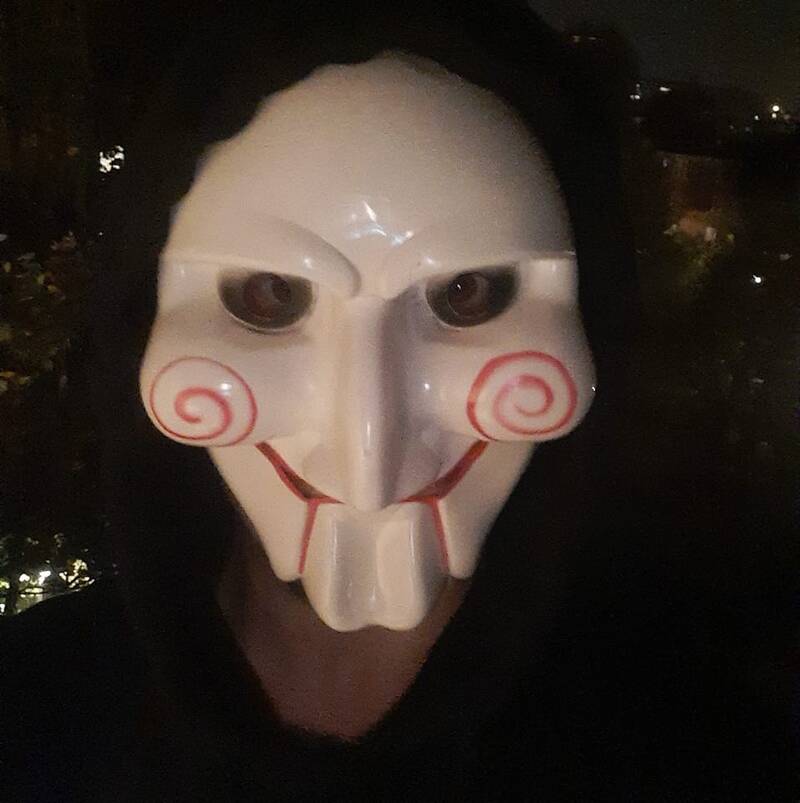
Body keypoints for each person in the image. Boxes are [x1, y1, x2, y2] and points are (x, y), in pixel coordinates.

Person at [4, 2, 795, 800]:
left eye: (467, 291)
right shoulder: (34, 712)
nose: (369, 456)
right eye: (269, 295)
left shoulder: (695, 742)